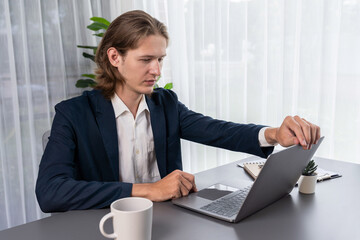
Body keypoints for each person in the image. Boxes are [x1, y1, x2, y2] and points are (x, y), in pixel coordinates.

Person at [35, 10, 320, 213]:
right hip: (109, 226)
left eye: (160, 59)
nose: (157, 71)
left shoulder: (165, 104)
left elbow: (217, 130)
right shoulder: (73, 114)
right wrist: (149, 189)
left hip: (167, 222)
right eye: (146, 59)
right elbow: (50, 192)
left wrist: (273, 134)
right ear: (114, 57)